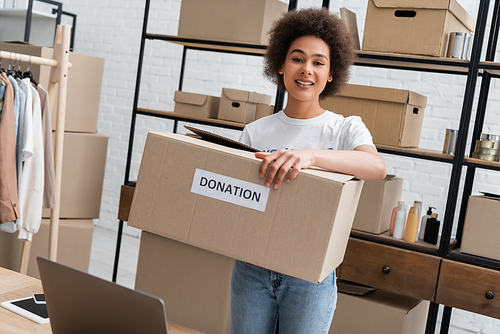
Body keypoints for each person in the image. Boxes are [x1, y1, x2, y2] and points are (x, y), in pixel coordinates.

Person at [231, 7, 387, 334]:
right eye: (297, 58)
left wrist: (311, 156)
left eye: (319, 62)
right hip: (252, 268)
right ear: (280, 65)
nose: (307, 70)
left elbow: (376, 167)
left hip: (309, 275)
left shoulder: (344, 129)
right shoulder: (255, 132)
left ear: (331, 73)